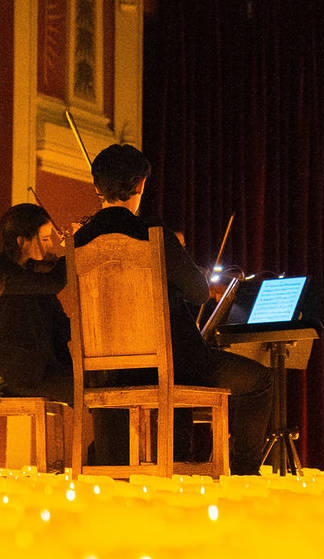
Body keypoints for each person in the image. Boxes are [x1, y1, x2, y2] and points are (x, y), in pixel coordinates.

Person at [73, 144, 273, 475]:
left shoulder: (79, 241)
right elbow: (197, 292)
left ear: (97, 187)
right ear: (139, 185)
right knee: (259, 381)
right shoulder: (154, 236)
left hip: (106, 370)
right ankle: (240, 474)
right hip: (173, 363)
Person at [0, 203, 73, 404]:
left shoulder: (28, 276)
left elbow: (59, 327)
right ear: (22, 241)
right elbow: (54, 283)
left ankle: (110, 437)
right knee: (97, 391)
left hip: (41, 369)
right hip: (23, 374)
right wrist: (73, 251)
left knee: (106, 383)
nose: (50, 247)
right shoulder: (2, 274)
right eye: (45, 239)